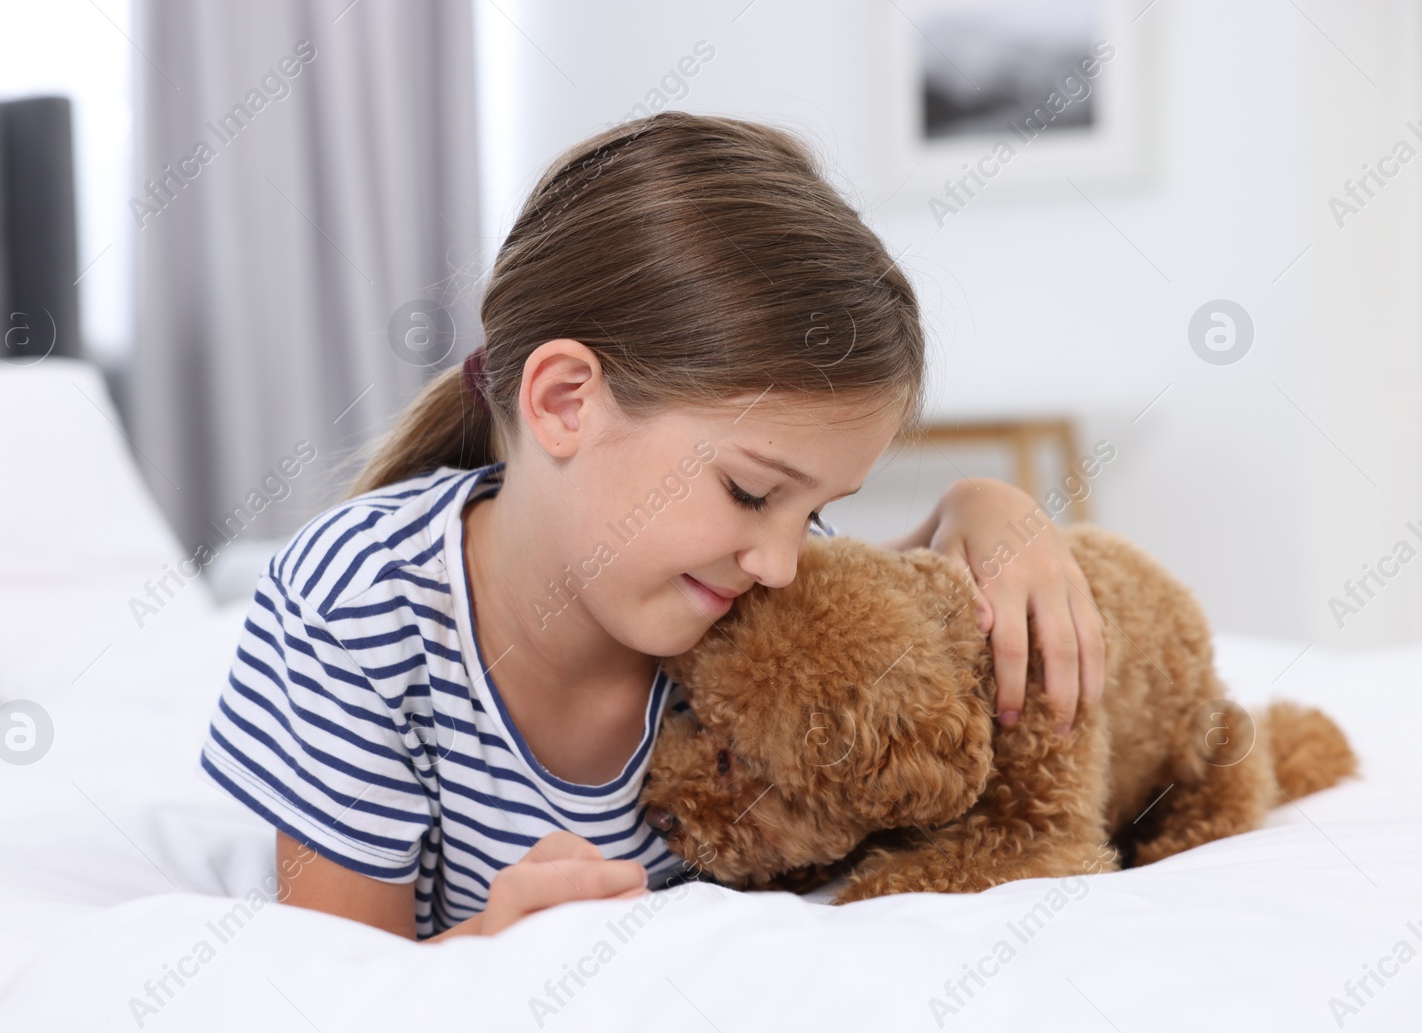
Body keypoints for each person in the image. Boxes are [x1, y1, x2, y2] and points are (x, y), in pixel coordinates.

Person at [198, 111, 1106, 943]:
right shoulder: (359, 610)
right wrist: (483, 948)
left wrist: (984, 507)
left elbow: (884, 625)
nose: (785, 564)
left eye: (818, 511)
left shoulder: (748, 598)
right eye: (752, 493)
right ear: (564, 402)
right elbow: (331, 993)